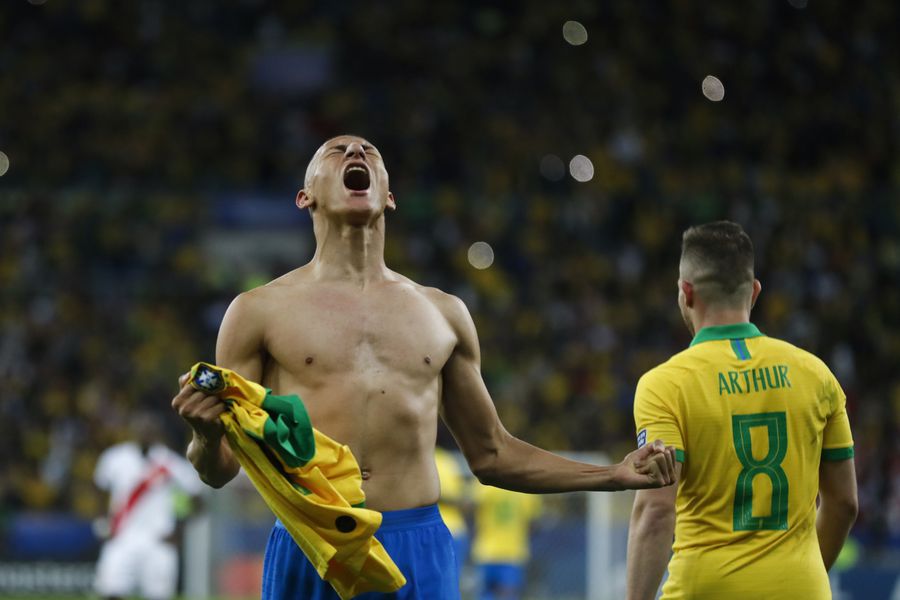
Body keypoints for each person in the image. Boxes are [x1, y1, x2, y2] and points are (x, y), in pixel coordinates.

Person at [171, 135, 676, 600]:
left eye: (370, 152)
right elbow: (219, 471)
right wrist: (207, 437)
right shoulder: (257, 311)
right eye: (337, 151)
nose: (356, 154)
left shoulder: (444, 314)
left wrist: (613, 474)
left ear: (389, 197)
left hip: (417, 544)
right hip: (311, 542)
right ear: (306, 198)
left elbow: (492, 453)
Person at [625, 221, 858, 600]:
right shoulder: (816, 374)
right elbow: (844, 504)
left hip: (705, 590)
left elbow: (656, 512)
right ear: (754, 292)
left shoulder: (665, 385)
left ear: (686, 292)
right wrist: (802, 577)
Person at [93, 411, 204, 600]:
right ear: (132, 430)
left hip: (158, 540)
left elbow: (198, 500)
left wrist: (179, 531)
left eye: (149, 428)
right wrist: (102, 521)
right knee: (110, 591)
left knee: (158, 595)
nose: (144, 432)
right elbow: (99, 488)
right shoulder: (115, 458)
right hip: (122, 536)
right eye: (140, 428)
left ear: (157, 432)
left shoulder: (170, 462)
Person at [470, 482, 541, 600]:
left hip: (486, 550)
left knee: (485, 593)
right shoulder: (526, 487)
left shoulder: (487, 483)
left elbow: (472, 507)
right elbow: (533, 523)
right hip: (513, 552)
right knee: (508, 594)